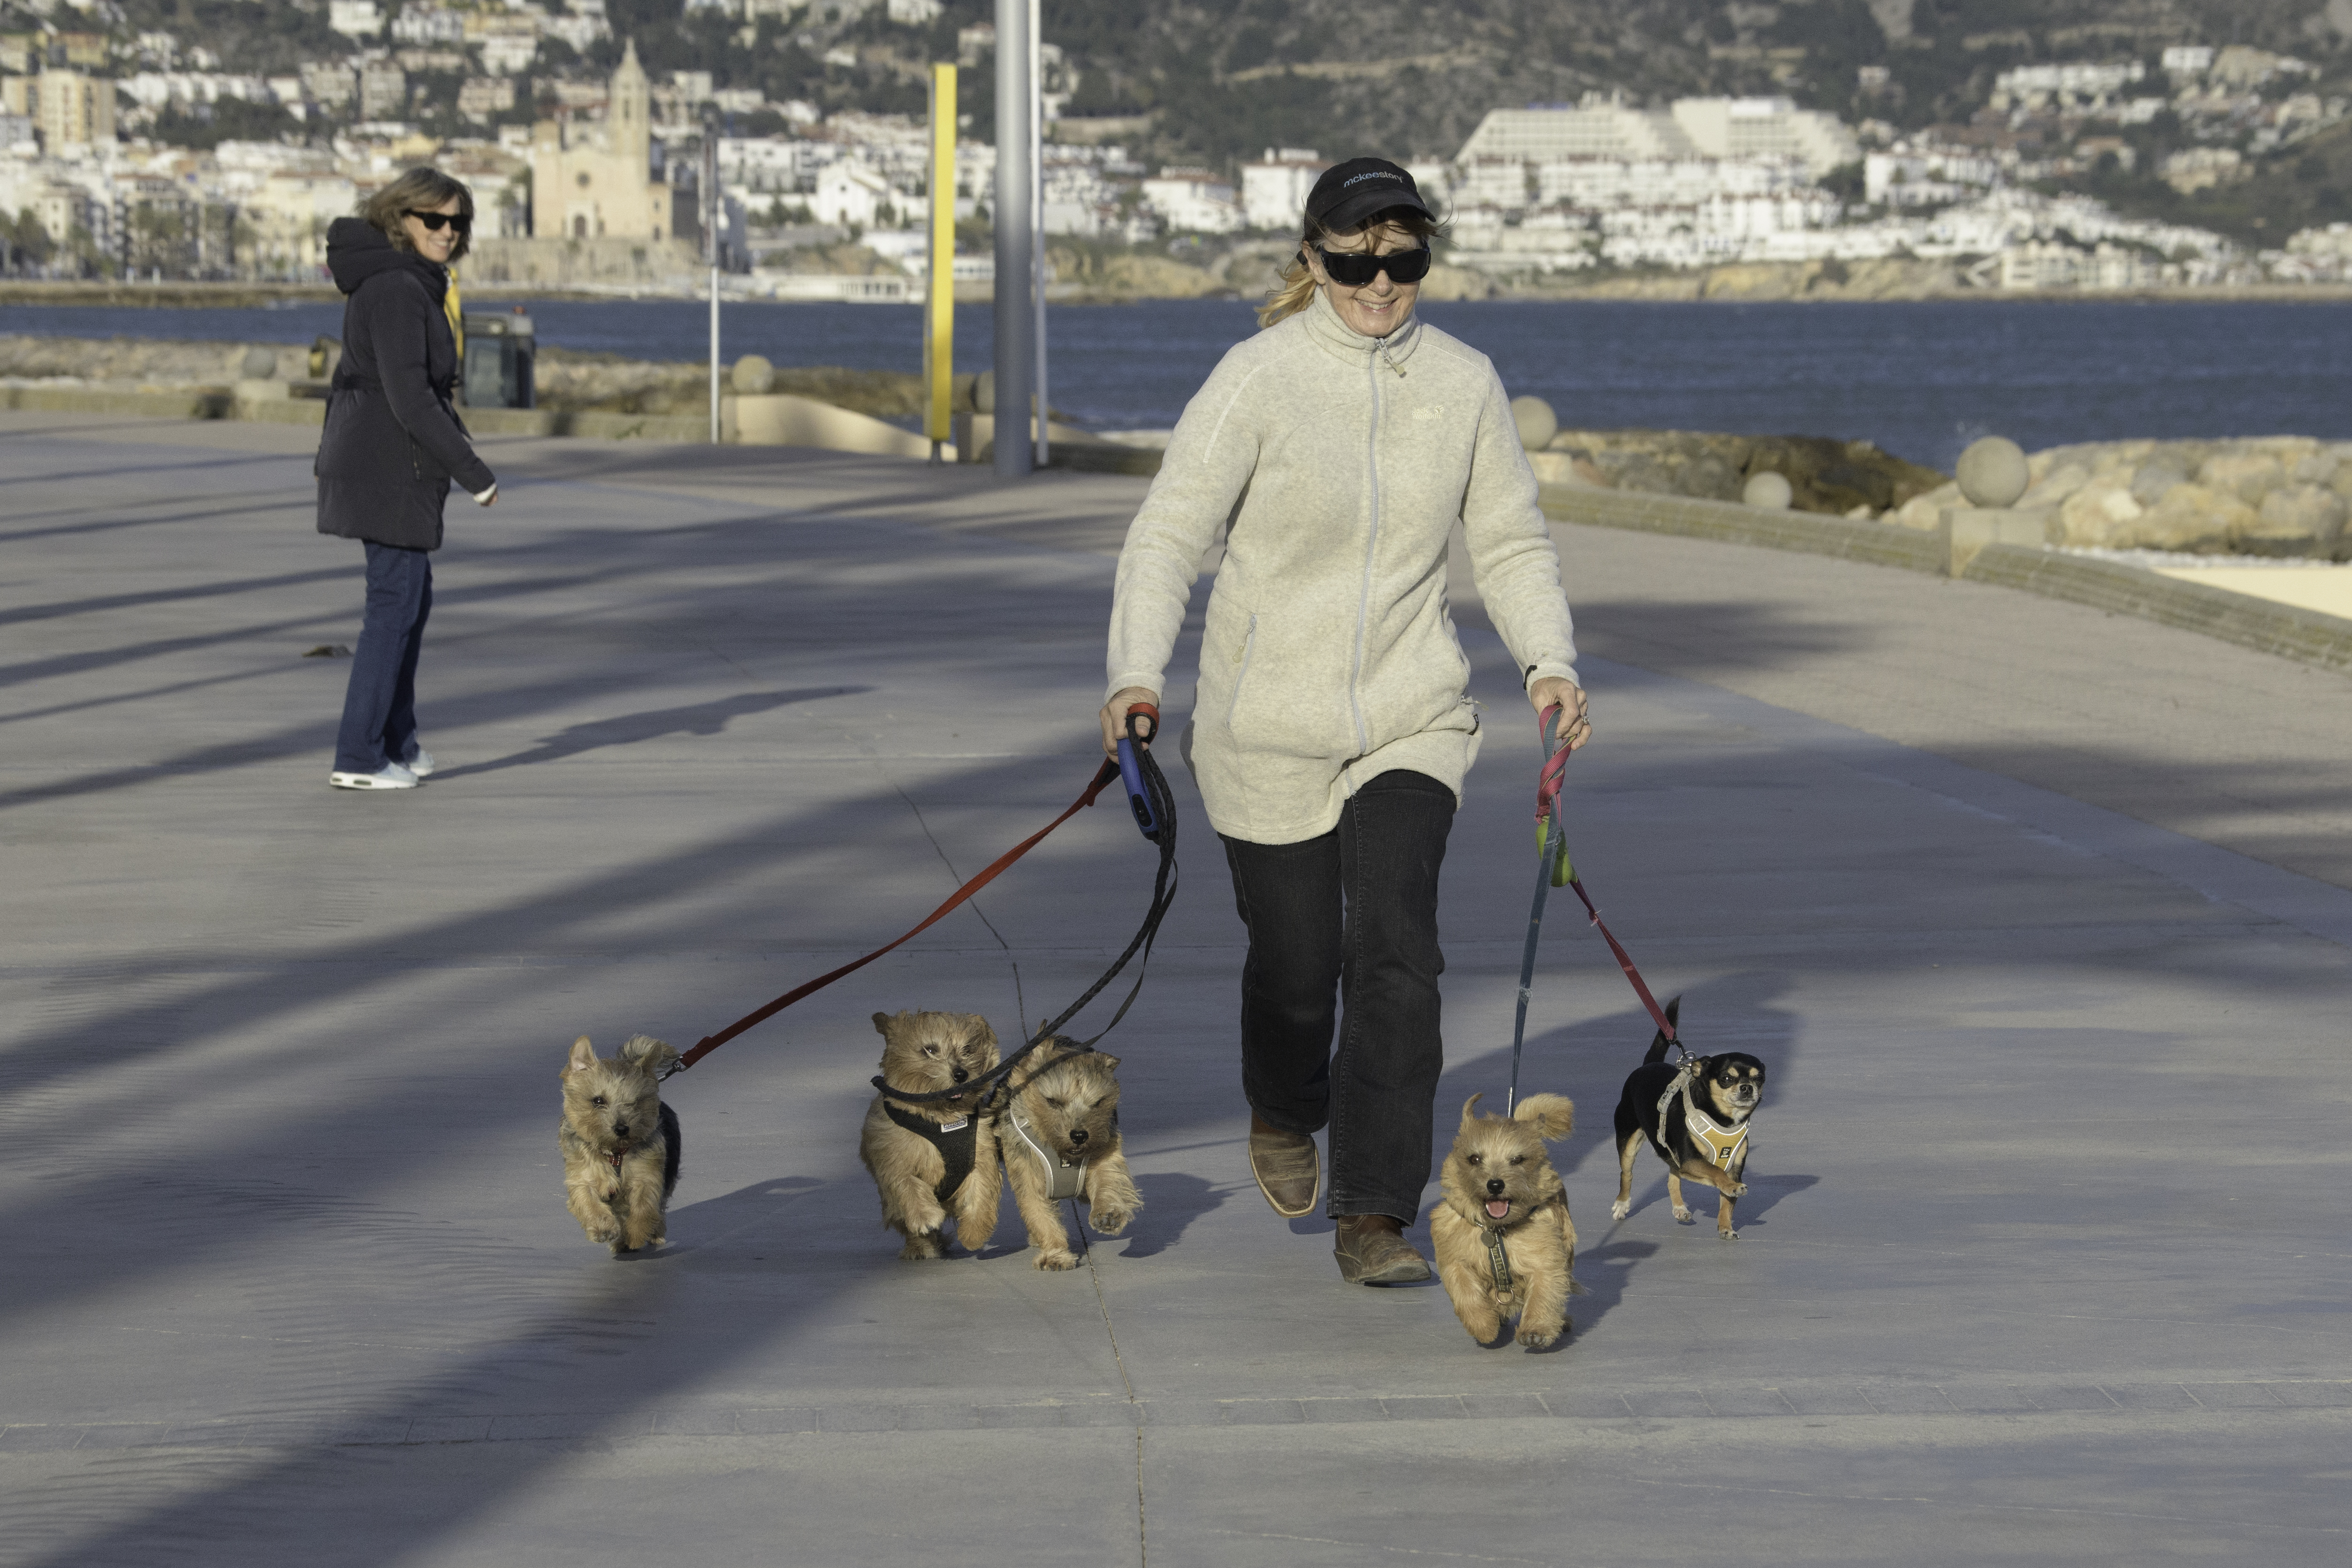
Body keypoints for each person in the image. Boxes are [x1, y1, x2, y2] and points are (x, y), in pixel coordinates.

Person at [1098, 158, 1591, 1285]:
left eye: (1403, 258)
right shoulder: (1254, 378)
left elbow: (1508, 541)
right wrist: (1134, 674)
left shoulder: (1462, 382)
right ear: (1310, 256)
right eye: (1358, 258)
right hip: (1263, 725)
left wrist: (1546, 661)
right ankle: (1283, 1103)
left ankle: (1373, 1213)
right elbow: (1167, 534)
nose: (1381, 281)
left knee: (1397, 959)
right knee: (1295, 964)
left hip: (1411, 715)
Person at [316, 167, 498, 791]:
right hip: (386, 463)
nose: (447, 232)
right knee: (393, 604)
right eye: (434, 220)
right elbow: (410, 398)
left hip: (394, 461)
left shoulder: (410, 281)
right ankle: (359, 756)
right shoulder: (396, 287)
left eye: (458, 222)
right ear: (401, 219)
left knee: (410, 603)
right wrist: (473, 472)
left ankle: (396, 741)